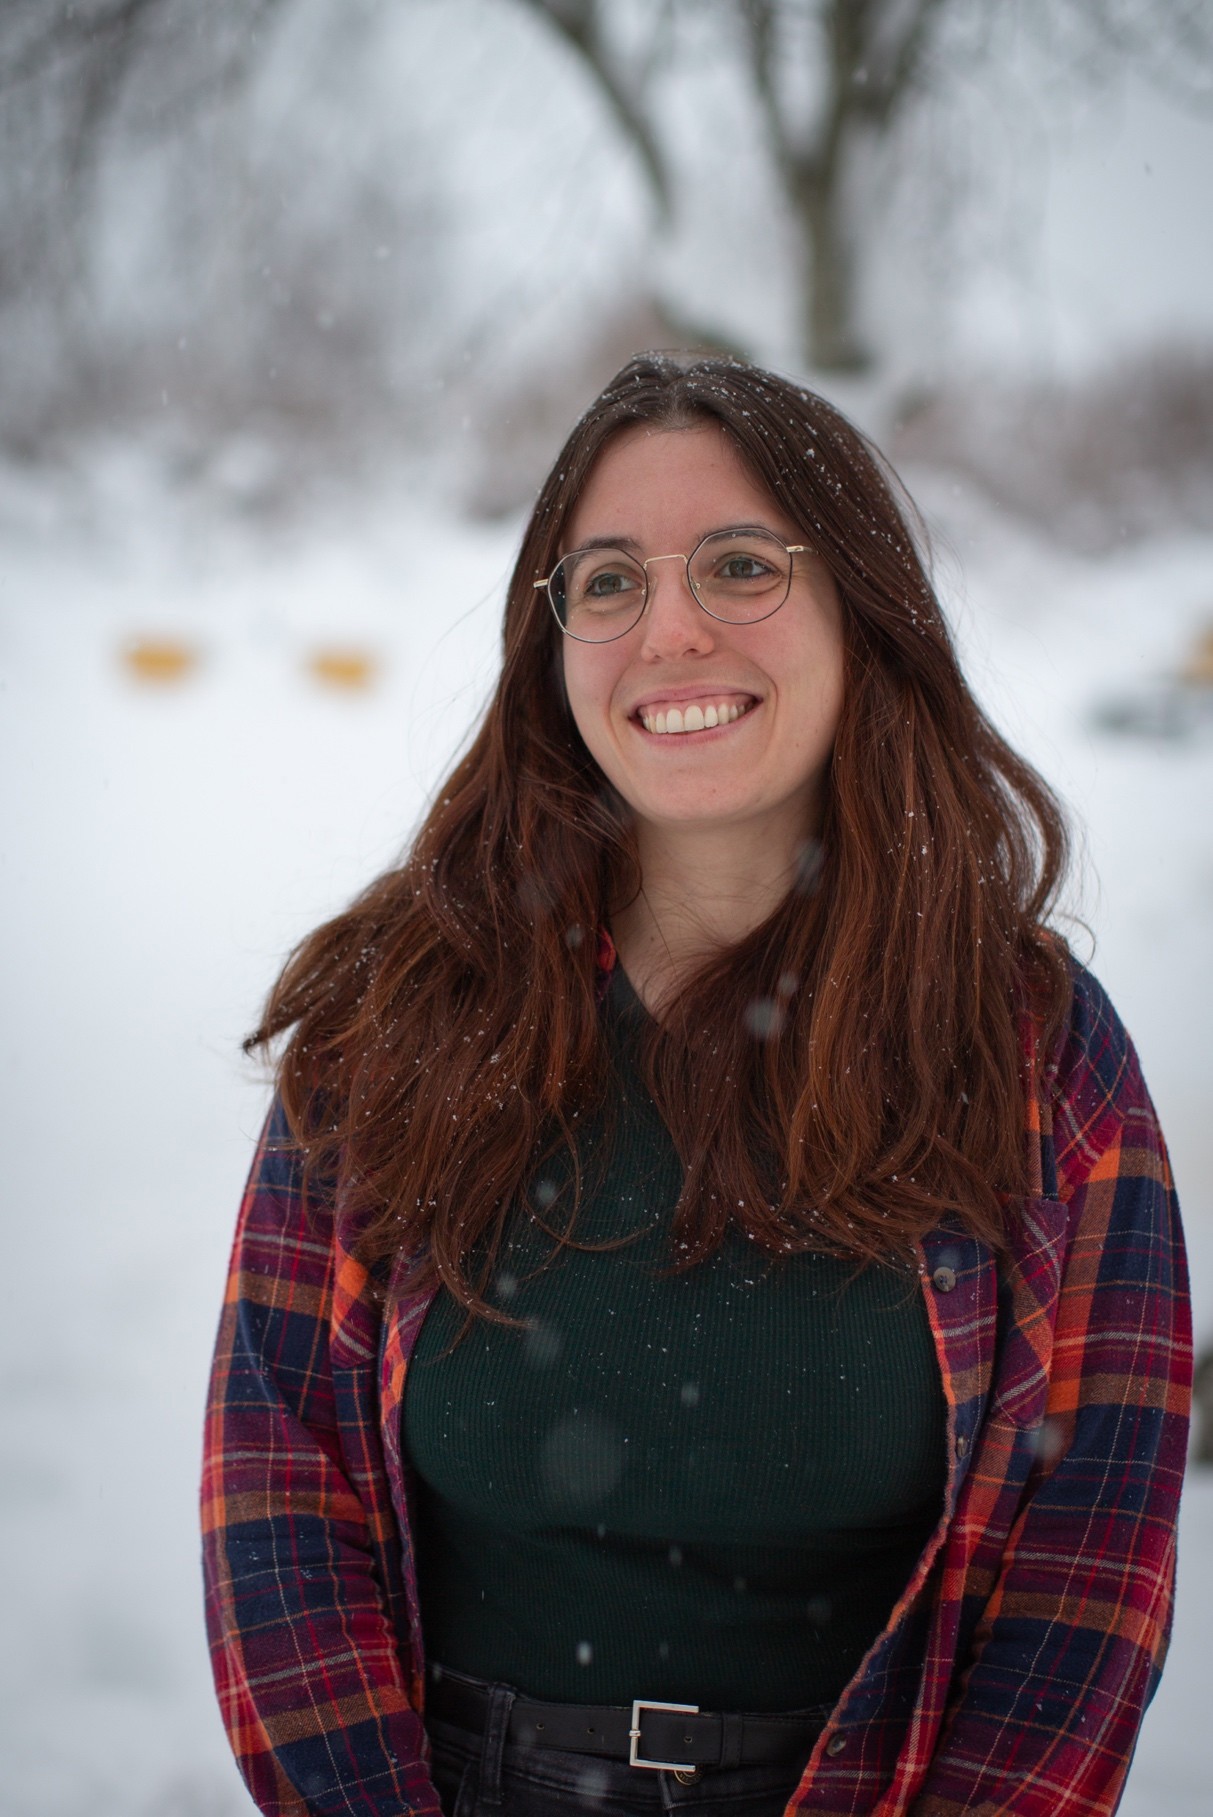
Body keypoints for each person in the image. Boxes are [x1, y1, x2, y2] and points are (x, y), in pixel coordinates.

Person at [202, 353, 1191, 1817]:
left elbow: (1088, 1554)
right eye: (605, 582)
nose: (667, 627)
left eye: (738, 564)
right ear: (549, 643)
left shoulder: (1032, 1048)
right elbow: (279, 1494)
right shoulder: (396, 1019)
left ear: (863, 610)